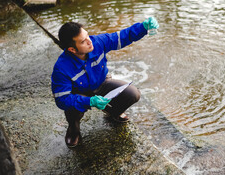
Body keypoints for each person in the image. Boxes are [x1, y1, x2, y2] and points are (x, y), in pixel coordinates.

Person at [51, 17, 159, 147]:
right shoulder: (61, 68)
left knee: (133, 94)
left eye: (87, 36)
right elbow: (62, 100)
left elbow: (121, 37)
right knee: (72, 108)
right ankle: (73, 131)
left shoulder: (97, 42)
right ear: (72, 49)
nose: (89, 41)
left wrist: (143, 27)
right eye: (83, 41)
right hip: (80, 93)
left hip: (102, 83)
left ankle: (113, 113)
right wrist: (89, 101)